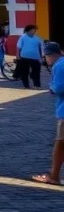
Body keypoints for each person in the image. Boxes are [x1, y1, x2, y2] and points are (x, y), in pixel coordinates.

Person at [33, 42, 64, 186]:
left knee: (60, 143)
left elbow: (58, 88)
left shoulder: (58, 66)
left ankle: (54, 176)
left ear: (49, 56)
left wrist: (51, 87)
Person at [15, 24, 45, 89]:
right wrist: (17, 55)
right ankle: (26, 85)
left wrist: (42, 56)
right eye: (32, 30)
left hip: (35, 57)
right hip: (24, 57)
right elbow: (18, 46)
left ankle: (37, 85)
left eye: (34, 30)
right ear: (28, 31)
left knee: (36, 72)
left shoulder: (38, 38)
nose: (34, 32)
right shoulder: (22, 37)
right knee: (25, 72)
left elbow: (42, 47)